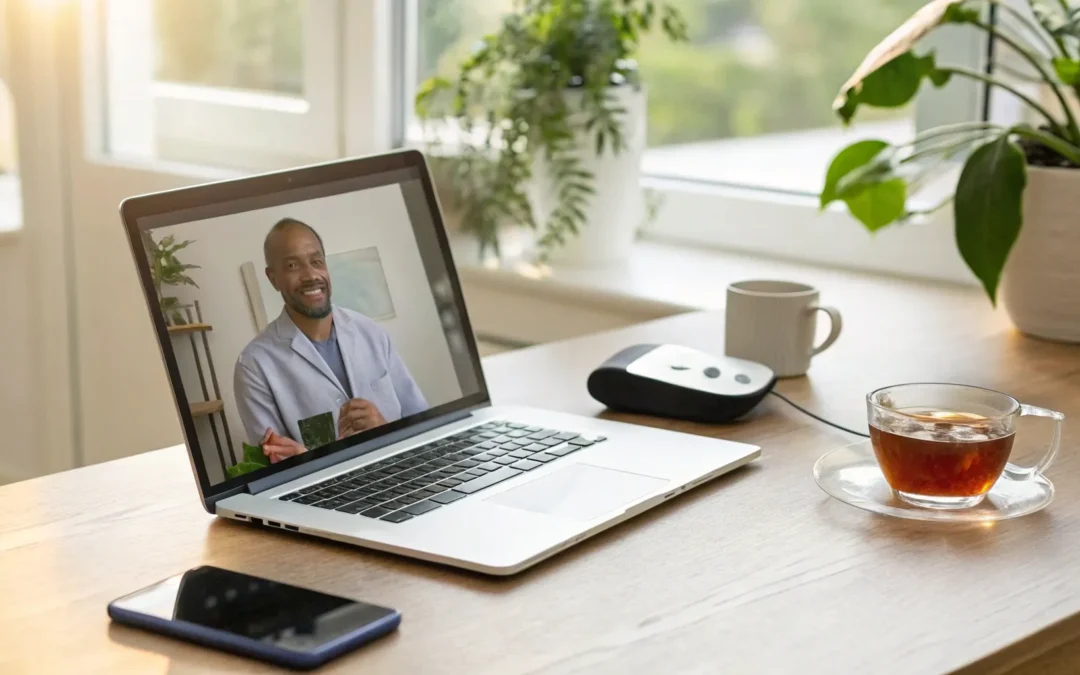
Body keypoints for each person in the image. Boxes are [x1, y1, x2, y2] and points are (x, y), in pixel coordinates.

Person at [234, 218, 428, 464]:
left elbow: (422, 425)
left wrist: (384, 428)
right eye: (293, 265)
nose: (311, 275)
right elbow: (272, 463)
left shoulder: (371, 333)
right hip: (323, 496)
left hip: (401, 471)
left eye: (316, 262)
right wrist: (307, 459)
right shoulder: (254, 365)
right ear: (273, 278)